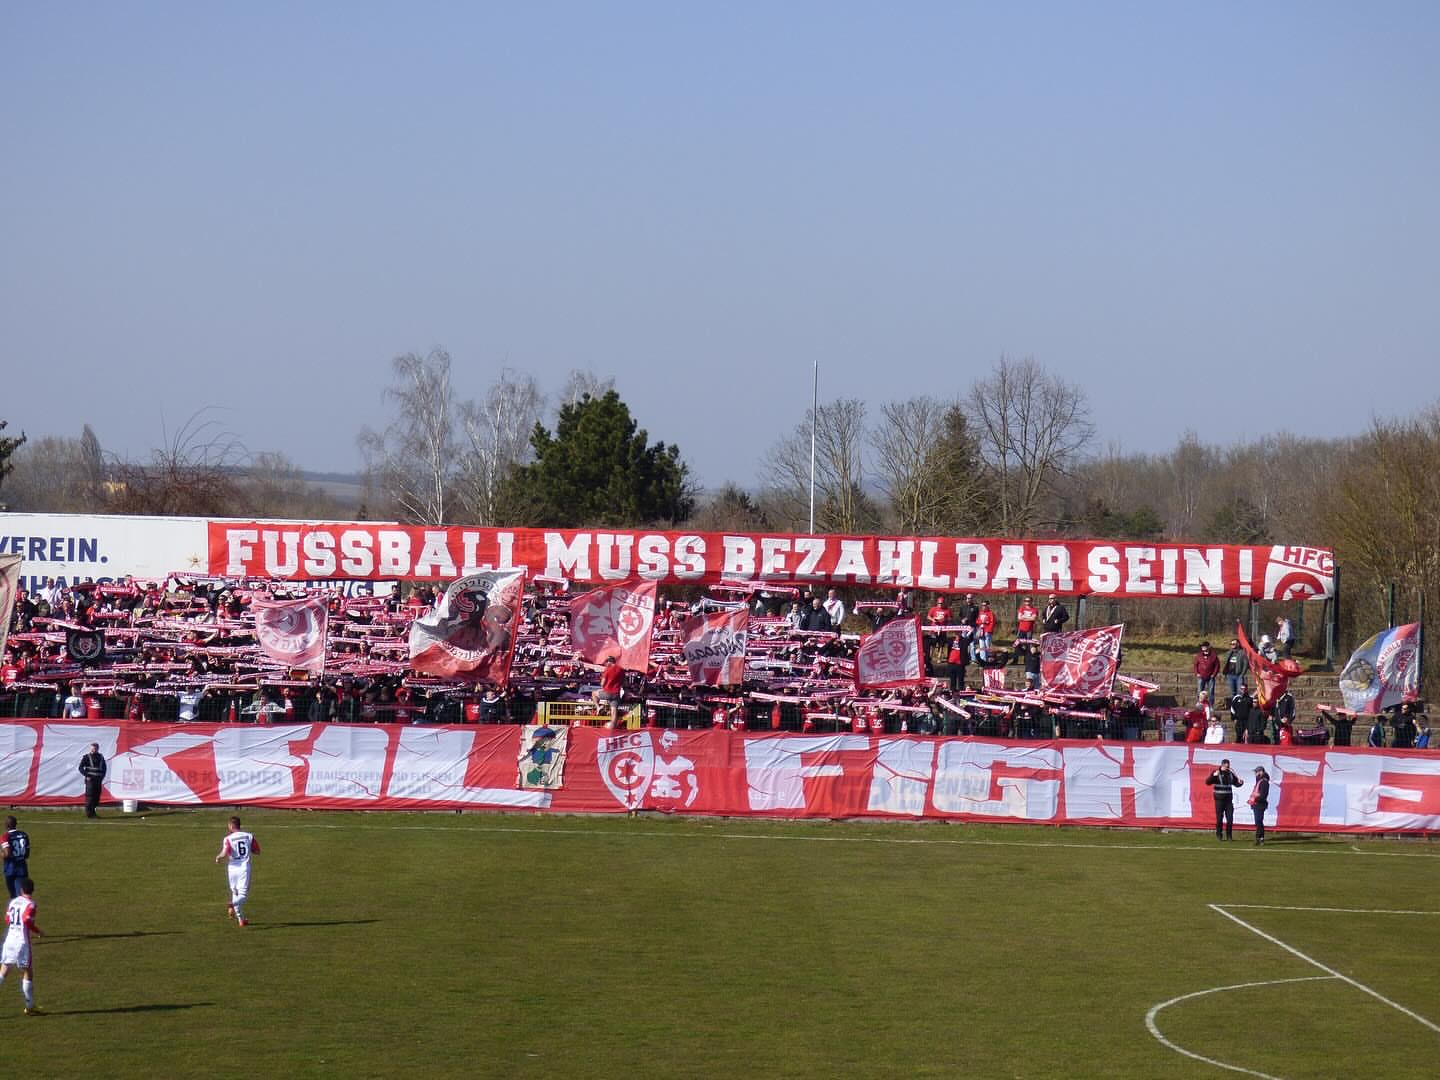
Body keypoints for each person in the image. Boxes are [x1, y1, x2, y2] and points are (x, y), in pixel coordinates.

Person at [0, 877, 42, 1014]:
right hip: (22, 942)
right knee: (27, 972)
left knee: (4, 970)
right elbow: (26, 920)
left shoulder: (13, 902)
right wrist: (37, 931)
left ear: (21, 890)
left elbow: (7, 919)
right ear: (32, 890)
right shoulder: (31, 904)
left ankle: (30, 1006)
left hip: (9, 940)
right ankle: (29, 1006)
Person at [215, 816, 260, 927]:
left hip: (232, 869)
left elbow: (224, 852)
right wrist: (250, 850)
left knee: (235, 893)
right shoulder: (249, 836)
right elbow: (257, 851)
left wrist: (219, 857)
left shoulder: (228, 838)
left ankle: (241, 920)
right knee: (243, 895)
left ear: (231, 826)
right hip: (244, 868)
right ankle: (231, 904)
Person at [1205, 758, 1244, 841]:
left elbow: (1236, 784)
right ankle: (1219, 835)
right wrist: (1213, 776)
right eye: (1226, 765)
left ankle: (1229, 836)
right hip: (1219, 800)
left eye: (1228, 765)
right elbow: (1207, 782)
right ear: (1222, 765)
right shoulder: (1216, 772)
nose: (1227, 767)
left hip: (1228, 801)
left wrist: (1241, 783)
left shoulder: (1230, 774)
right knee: (1219, 819)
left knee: (1230, 819)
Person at [1, 819, 30, 901]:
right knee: (22, 895)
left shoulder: (5, 836)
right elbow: (27, 854)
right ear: (16, 824)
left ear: (7, 826)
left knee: (13, 895)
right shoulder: (24, 835)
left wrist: (1, 854)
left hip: (10, 868)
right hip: (22, 868)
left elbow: (6, 854)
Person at [593, 655, 625, 727]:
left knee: (594, 694)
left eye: (605, 663)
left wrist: (602, 685)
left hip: (607, 692)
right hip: (616, 693)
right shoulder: (621, 670)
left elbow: (602, 683)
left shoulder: (608, 670)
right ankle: (612, 728)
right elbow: (624, 682)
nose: (605, 664)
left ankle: (598, 707)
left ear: (609, 661)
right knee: (614, 711)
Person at [78, 742, 106, 818]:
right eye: (93, 748)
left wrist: (102, 777)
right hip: (90, 780)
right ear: (91, 749)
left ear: (98, 749)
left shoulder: (101, 757)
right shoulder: (86, 757)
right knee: (90, 797)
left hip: (98, 780)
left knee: (97, 797)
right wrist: (86, 775)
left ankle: (93, 812)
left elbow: (104, 768)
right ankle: (89, 814)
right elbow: (80, 768)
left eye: (96, 748)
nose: (94, 750)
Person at [1249, 766, 1271, 845]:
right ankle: (1261, 838)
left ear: (1261, 772)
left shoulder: (1264, 782)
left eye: (1256, 772)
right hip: (1256, 804)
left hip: (1260, 804)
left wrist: (1255, 799)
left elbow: (1263, 795)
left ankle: (1258, 839)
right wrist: (1251, 800)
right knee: (1258, 822)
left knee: (1258, 822)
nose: (1255, 773)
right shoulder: (1259, 781)